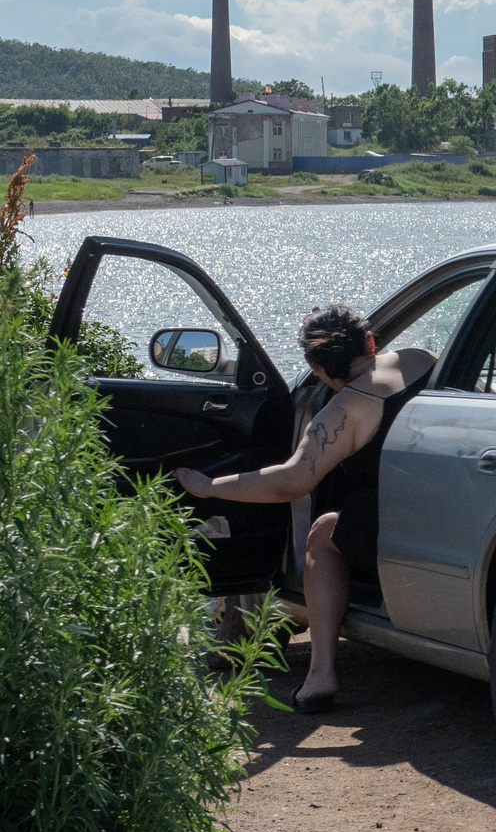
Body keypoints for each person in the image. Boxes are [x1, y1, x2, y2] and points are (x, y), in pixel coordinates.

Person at [175, 305, 434, 714]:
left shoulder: (346, 408)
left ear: (315, 367)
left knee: (325, 532)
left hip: (395, 523)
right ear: (370, 341)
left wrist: (208, 486)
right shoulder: (420, 360)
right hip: (445, 504)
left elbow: (290, 483)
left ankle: (320, 675)